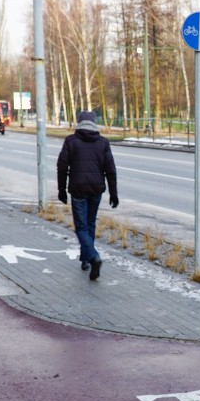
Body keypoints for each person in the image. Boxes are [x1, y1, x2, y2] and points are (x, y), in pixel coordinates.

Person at [57, 111, 118, 281]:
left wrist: (61, 190)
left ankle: (93, 257)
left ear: (79, 123)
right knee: (90, 224)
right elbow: (110, 170)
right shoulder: (103, 142)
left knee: (81, 227)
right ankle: (86, 260)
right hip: (97, 189)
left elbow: (62, 167)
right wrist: (114, 193)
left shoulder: (71, 141)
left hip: (78, 189)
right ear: (94, 123)